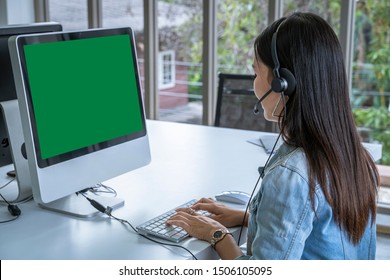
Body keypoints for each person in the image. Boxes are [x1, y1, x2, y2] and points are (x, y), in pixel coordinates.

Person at [167, 12, 379, 260]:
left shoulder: (293, 175)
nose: (253, 83)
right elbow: (319, 234)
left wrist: (217, 235)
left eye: (256, 72)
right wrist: (247, 218)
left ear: (283, 84)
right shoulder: (356, 157)